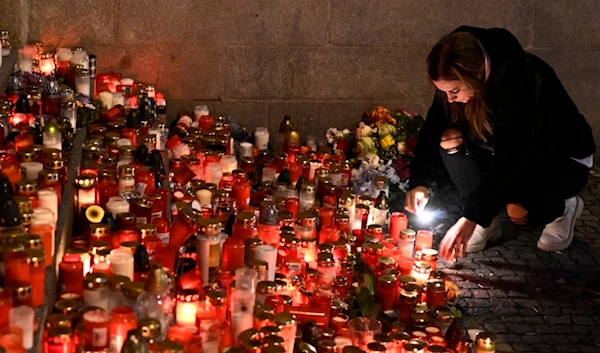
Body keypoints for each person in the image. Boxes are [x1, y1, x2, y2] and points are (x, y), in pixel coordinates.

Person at [404, 26, 596, 261]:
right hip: (501, 151)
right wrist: (420, 182)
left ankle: (563, 209)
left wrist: (470, 217)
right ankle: (488, 221)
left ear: (474, 78)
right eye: (443, 92)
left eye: (454, 91)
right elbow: (433, 129)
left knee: (518, 209)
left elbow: (514, 161)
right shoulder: (453, 82)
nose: (450, 98)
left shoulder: (523, 81)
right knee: (448, 139)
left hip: (558, 159)